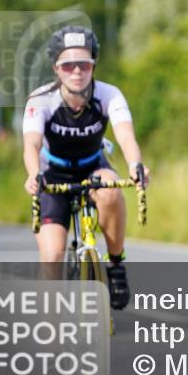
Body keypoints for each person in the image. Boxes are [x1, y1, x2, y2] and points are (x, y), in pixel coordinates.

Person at [21, 26, 150, 309]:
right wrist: (33, 174)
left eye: (84, 64)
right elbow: (31, 143)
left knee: (110, 192)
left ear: (93, 65)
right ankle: (51, 333)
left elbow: (126, 135)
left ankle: (116, 265)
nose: (77, 71)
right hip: (52, 174)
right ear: (57, 68)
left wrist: (136, 165)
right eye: (68, 65)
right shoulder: (41, 99)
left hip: (93, 166)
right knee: (53, 256)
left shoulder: (108, 94)